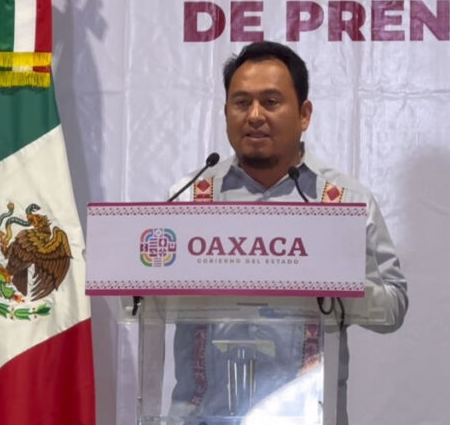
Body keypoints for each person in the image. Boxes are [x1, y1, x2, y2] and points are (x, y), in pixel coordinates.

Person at [167, 41, 408, 425]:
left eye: (271, 102)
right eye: (241, 103)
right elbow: (148, 298)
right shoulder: (188, 199)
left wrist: (337, 284)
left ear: (304, 114)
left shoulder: (343, 201)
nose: (254, 116)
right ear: (226, 113)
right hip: (203, 417)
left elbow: (393, 307)